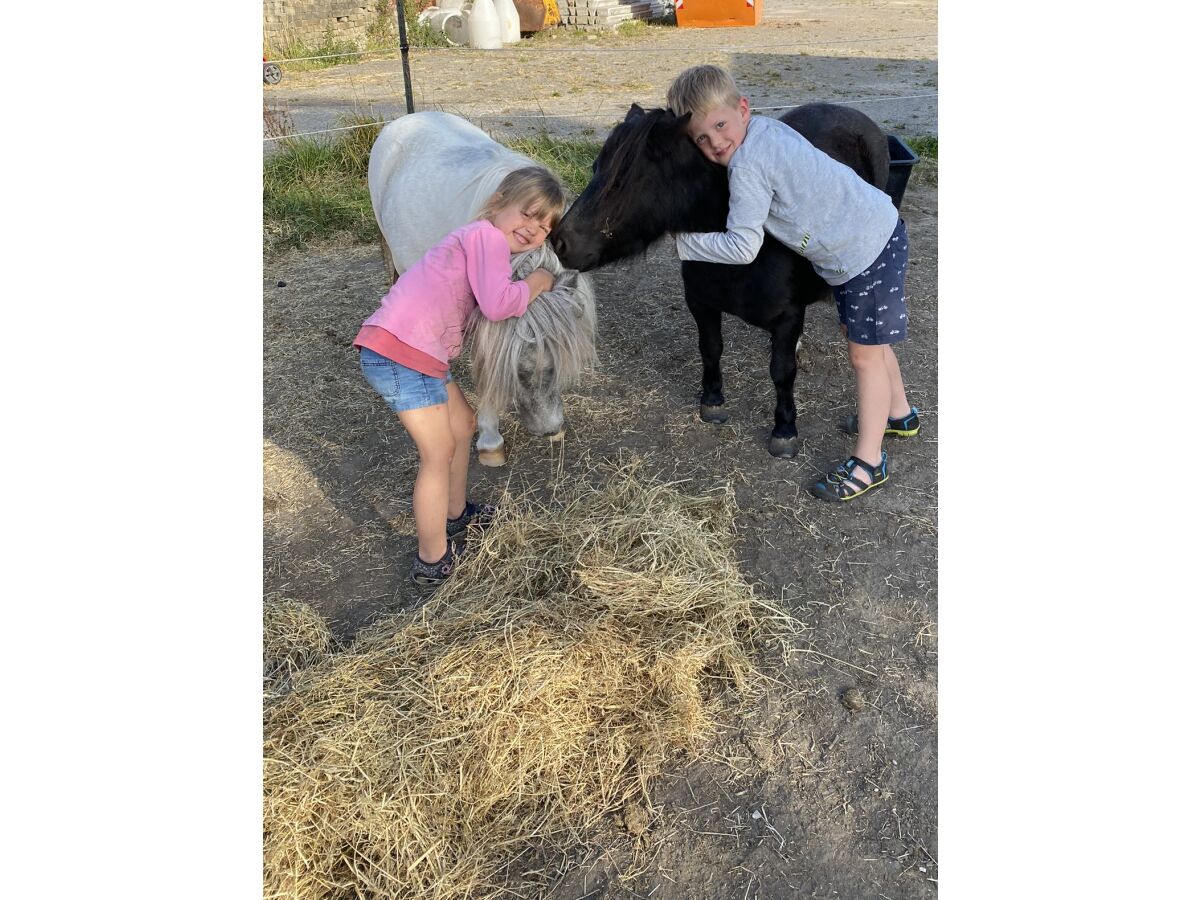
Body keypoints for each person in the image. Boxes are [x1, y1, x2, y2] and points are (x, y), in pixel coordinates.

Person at [665, 64, 921, 502]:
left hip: (865, 250)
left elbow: (743, 246)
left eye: (720, 126)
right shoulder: (764, 129)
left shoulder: (747, 166)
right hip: (869, 235)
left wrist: (687, 244)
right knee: (870, 341)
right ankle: (899, 414)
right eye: (701, 139)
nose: (715, 144)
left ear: (742, 109)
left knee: (863, 356)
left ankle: (869, 462)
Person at [354, 166, 565, 583]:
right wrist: (540, 281)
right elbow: (498, 305)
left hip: (422, 356)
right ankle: (432, 560)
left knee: (465, 424)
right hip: (402, 355)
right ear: (497, 204)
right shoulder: (485, 236)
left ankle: (455, 513)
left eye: (544, 227)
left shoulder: (482, 243)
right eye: (528, 214)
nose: (533, 230)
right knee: (437, 454)